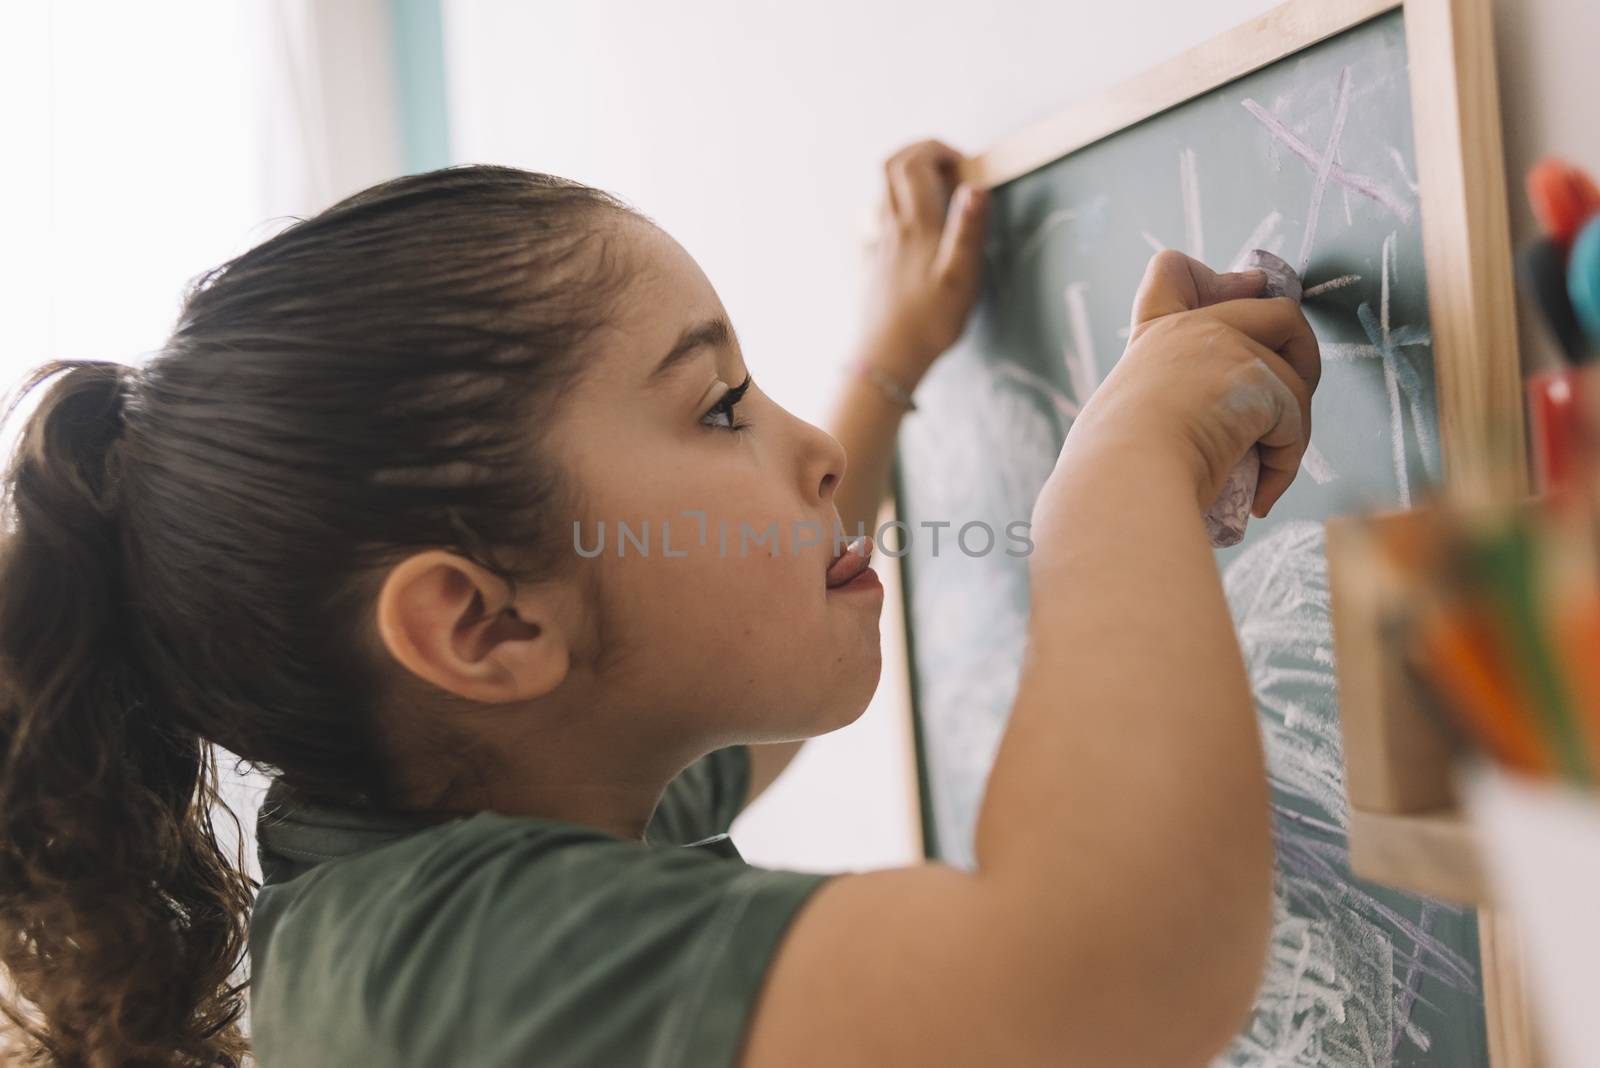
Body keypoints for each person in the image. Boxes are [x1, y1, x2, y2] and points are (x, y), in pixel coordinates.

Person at [0, 140, 1318, 1067]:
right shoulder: (457, 973)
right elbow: (1111, 984)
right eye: (721, 407)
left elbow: (752, 643)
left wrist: (895, 353)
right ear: (487, 627)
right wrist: (1119, 479)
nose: (809, 453)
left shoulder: (458, 799)